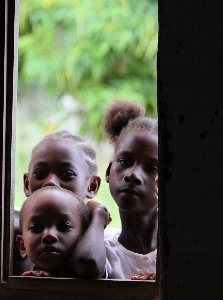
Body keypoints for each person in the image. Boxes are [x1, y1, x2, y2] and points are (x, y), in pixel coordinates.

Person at [20, 130, 111, 277]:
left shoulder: (105, 241)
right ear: (26, 183)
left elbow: (89, 262)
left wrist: (98, 215)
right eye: (40, 173)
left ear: (92, 186)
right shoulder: (16, 228)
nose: (50, 182)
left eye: (67, 174)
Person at [103, 100, 158, 280]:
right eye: (125, 162)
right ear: (108, 172)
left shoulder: (183, 252)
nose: (133, 174)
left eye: (151, 168)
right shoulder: (102, 251)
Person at [16, 186, 104, 278]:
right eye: (36, 228)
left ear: (85, 237)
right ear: (22, 246)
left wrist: (99, 213)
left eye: (64, 227)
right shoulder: (29, 279)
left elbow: (89, 263)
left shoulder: (101, 262)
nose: (49, 235)